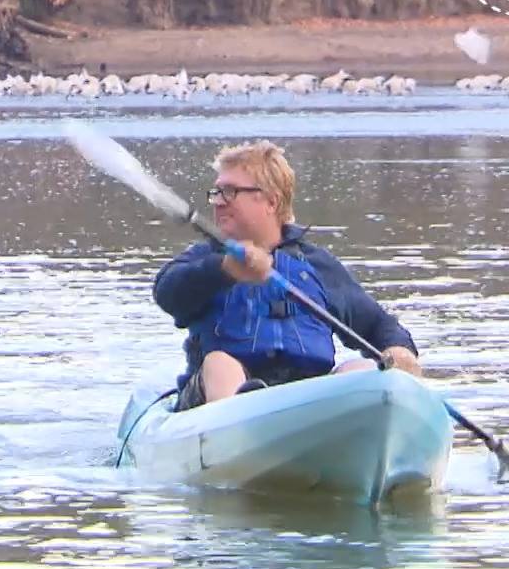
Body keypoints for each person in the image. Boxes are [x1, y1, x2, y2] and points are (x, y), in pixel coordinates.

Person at [152, 140, 422, 411]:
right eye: (217, 193)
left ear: (271, 201)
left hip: (306, 398)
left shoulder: (316, 265)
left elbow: (377, 324)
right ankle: (237, 422)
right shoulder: (205, 260)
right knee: (220, 364)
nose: (219, 202)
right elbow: (167, 293)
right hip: (221, 399)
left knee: (362, 368)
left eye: (231, 192)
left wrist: (399, 349)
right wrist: (225, 270)